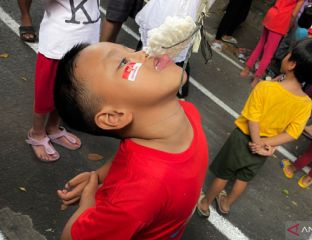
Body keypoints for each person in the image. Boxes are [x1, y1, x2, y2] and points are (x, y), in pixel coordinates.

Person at [54, 43, 208, 239]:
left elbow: (128, 154)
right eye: (123, 62)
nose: (146, 52)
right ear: (114, 116)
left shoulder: (187, 112)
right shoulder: (136, 196)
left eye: (130, 49)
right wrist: (87, 206)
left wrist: (99, 176)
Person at [196, 39, 312, 217]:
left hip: (243, 139)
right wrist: (263, 144)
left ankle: (205, 203)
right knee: (243, 178)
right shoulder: (306, 103)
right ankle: (226, 204)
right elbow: (292, 133)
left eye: (289, 54)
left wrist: (256, 142)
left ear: (292, 64)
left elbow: (253, 118)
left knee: (224, 174)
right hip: (267, 147)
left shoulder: (265, 87)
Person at [25, 0, 101, 161]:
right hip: (58, 44)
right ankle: (37, 133)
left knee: (68, 91)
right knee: (45, 94)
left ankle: (53, 127)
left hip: (86, 40)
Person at [135, 0, 205, 98]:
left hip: (185, 10)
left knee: (174, 47)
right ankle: (141, 81)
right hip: (169, 8)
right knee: (153, 41)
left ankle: (165, 90)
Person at [240, 0, 305, 88]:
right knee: (269, 53)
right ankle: (255, 80)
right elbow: (294, 14)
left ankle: (245, 70)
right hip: (282, 19)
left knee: (260, 45)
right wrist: (288, 27)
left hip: (272, 13)